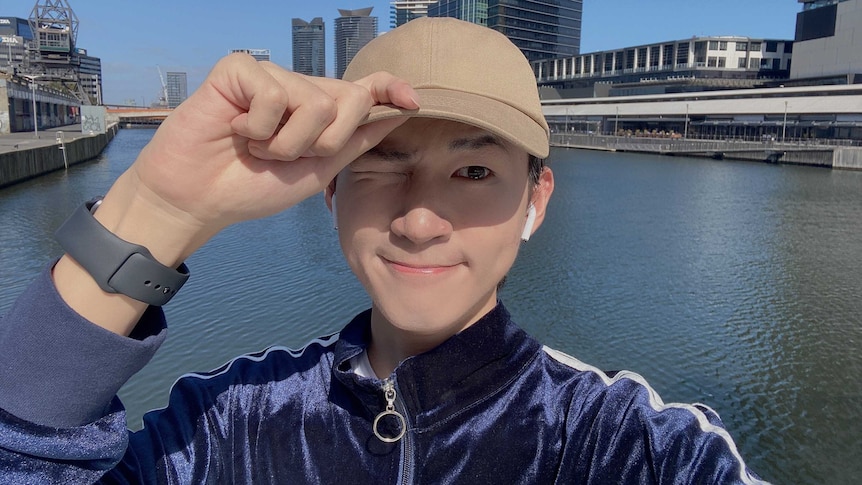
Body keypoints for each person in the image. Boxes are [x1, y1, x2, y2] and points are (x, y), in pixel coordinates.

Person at [0, 18, 765, 484]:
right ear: (330, 191)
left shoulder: (625, 442)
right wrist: (156, 210)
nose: (421, 220)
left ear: (536, 201)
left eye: (474, 170)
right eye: (380, 163)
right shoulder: (229, 423)